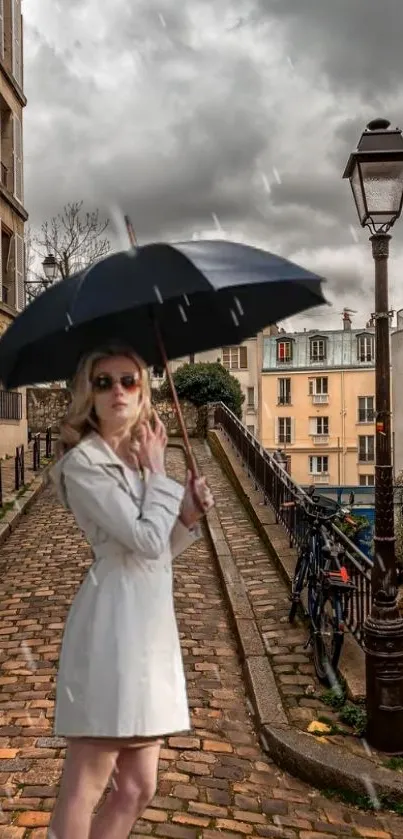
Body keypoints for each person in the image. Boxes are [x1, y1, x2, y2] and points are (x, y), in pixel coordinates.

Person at [48, 343, 214, 839]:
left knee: (139, 786)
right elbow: (140, 540)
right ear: (88, 395)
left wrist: (186, 516)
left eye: (128, 380)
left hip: (151, 630)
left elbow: (157, 548)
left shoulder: (141, 457)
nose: (117, 390)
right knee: (86, 784)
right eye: (104, 382)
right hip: (113, 629)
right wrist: (163, 479)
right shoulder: (83, 465)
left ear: (143, 391)